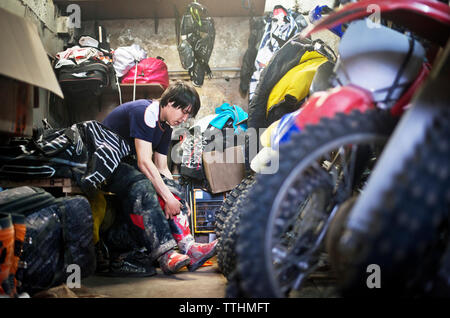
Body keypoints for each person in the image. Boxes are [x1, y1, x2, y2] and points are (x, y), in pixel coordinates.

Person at [101, 81, 217, 275]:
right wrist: (168, 198)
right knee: (143, 186)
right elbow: (144, 162)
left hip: (126, 165)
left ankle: (189, 247)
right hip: (105, 163)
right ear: (170, 102)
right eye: (184, 111)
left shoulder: (165, 126)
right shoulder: (145, 112)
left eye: (189, 114)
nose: (185, 118)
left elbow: (162, 168)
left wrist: (177, 197)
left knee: (171, 189)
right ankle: (166, 254)